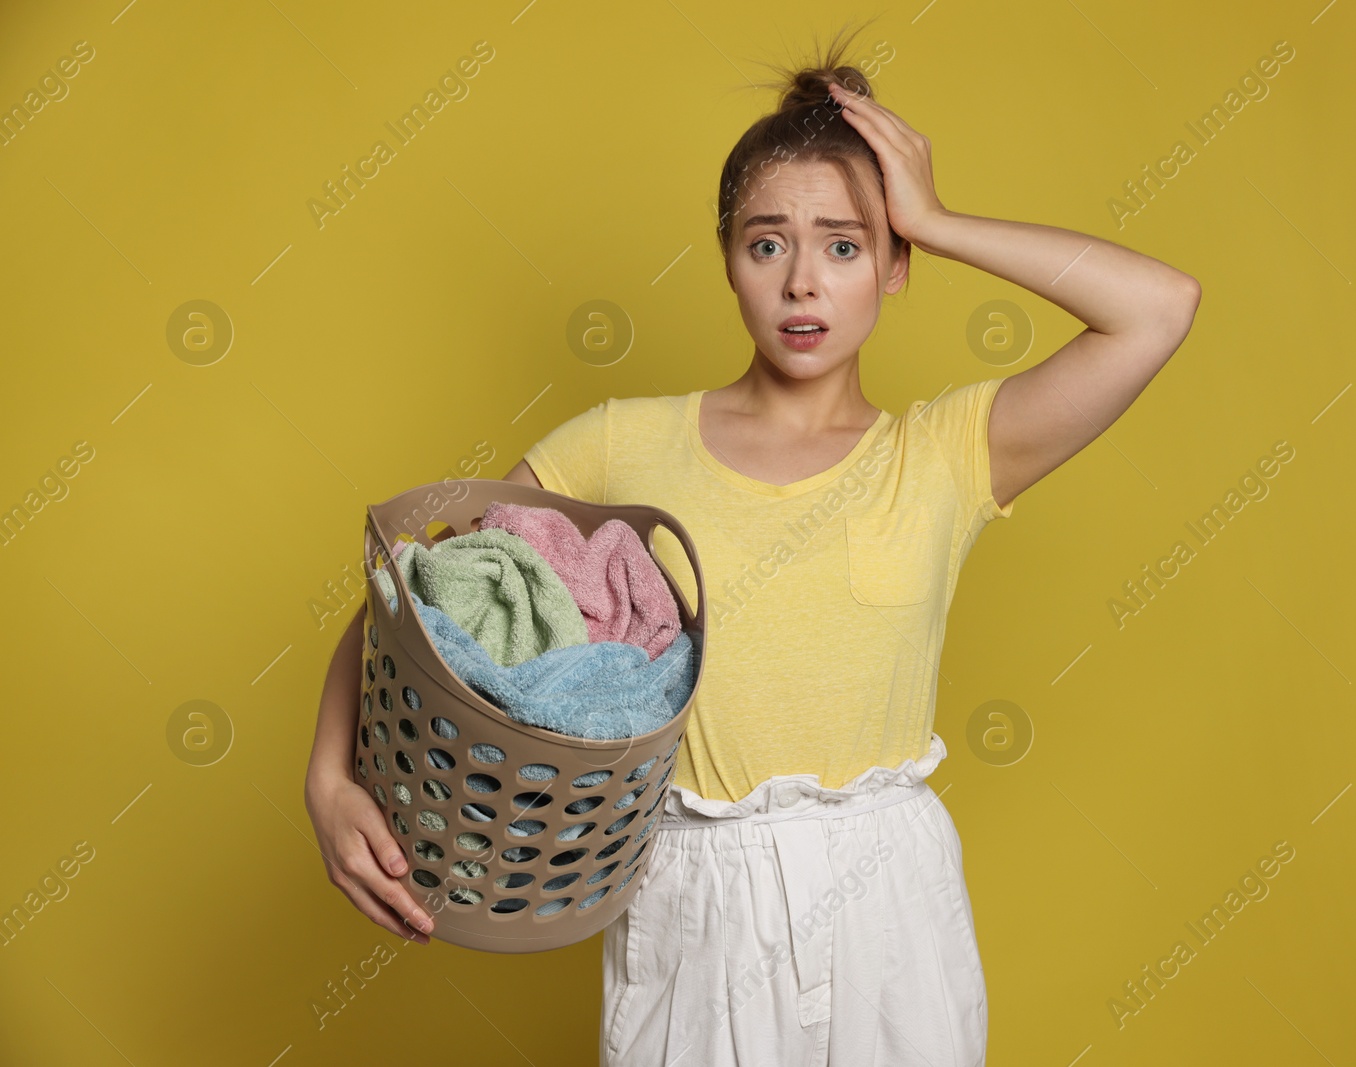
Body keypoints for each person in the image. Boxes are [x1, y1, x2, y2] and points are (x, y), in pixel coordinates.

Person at [304, 22, 1200, 1067]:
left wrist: (937, 216)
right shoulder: (616, 446)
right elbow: (422, 601)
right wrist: (328, 780)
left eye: (846, 244)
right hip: (689, 891)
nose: (802, 282)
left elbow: (1156, 308)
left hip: (886, 896)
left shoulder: (949, 454)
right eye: (767, 241)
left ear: (894, 266)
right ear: (727, 257)